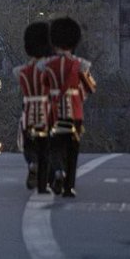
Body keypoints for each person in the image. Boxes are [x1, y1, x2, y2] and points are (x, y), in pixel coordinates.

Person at [45, 16, 96, 199]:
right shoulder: (81, 65)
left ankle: (58, 171)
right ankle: (69, 187)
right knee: (72, 150)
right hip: (75, 111)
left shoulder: (47, 66)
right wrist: (78, 96)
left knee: (54, 146)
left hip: (54, 112)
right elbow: (90, 87)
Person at [14, 21, 54, 194]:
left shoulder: (22, 71)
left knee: (29, 145)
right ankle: (43, 184)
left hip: (29, 109)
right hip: (46, 110)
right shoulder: (50, 69)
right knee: (45, 148)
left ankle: (31, 163)